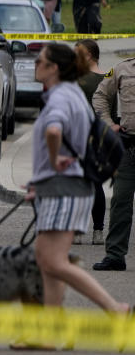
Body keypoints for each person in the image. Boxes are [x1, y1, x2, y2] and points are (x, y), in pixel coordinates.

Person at [25, 43, 129, 322]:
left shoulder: (60, 96)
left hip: (65, 187)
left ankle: (114, 309)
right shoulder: (68, 93)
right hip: (61, 186)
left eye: (41, 60)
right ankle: (51, 330)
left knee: (52, 261)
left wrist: (55, 157)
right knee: (48, 261)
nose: (36, 63)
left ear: (54, 68)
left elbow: (54, 129)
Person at [92, 53, 135, 271]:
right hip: (128, 148)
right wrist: (109, 125)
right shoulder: (121, 69)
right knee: (120, 201)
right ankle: (115, 255)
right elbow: (99, 96)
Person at [74, 40, 107, 245]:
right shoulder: (107, 78)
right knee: (96, 185)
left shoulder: (78, 80)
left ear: (88, 56)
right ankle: (98, 232)